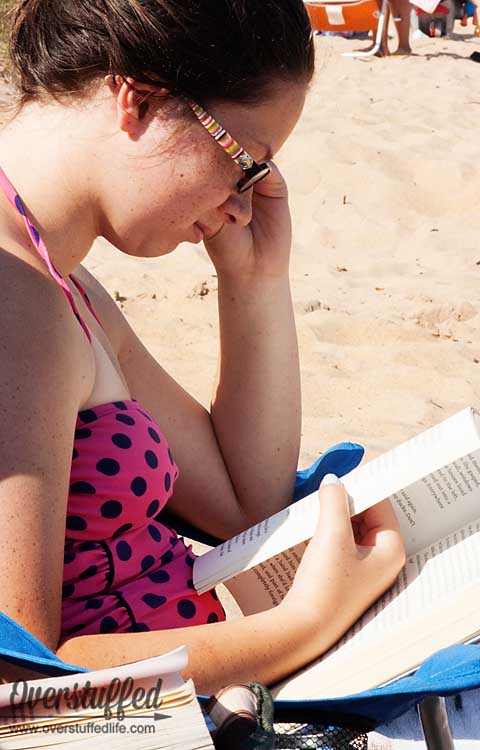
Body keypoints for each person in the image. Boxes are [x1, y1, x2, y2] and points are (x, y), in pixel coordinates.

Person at [0, 0, 405, 696]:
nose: (244, 205)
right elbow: (21, 679)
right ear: (142, 98)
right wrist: (308, 622)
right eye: (245, 164)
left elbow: (247, 502)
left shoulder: (65, 283)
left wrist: (255, 280)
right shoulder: (16, 296)